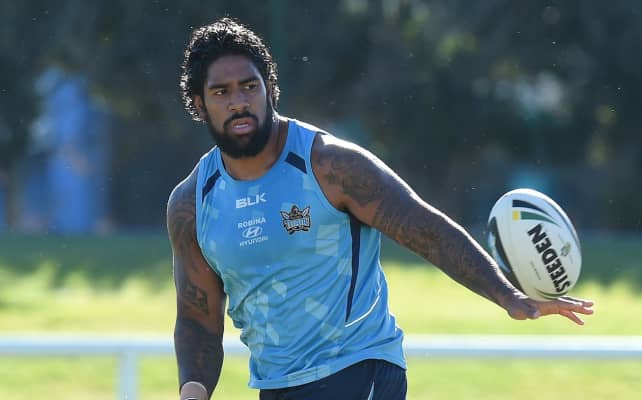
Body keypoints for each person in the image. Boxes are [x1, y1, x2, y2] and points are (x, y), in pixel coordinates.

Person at [166, 18, 594, 400]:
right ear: (199, 105)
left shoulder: (330, 165)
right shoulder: (192, 204)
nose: (239, 101)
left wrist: (507, 295)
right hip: (275, 385)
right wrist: (193, 392)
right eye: (221, 92)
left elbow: (426, 230)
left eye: (250, 86)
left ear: (270, 89)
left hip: (358, 369)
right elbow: (198, 317)